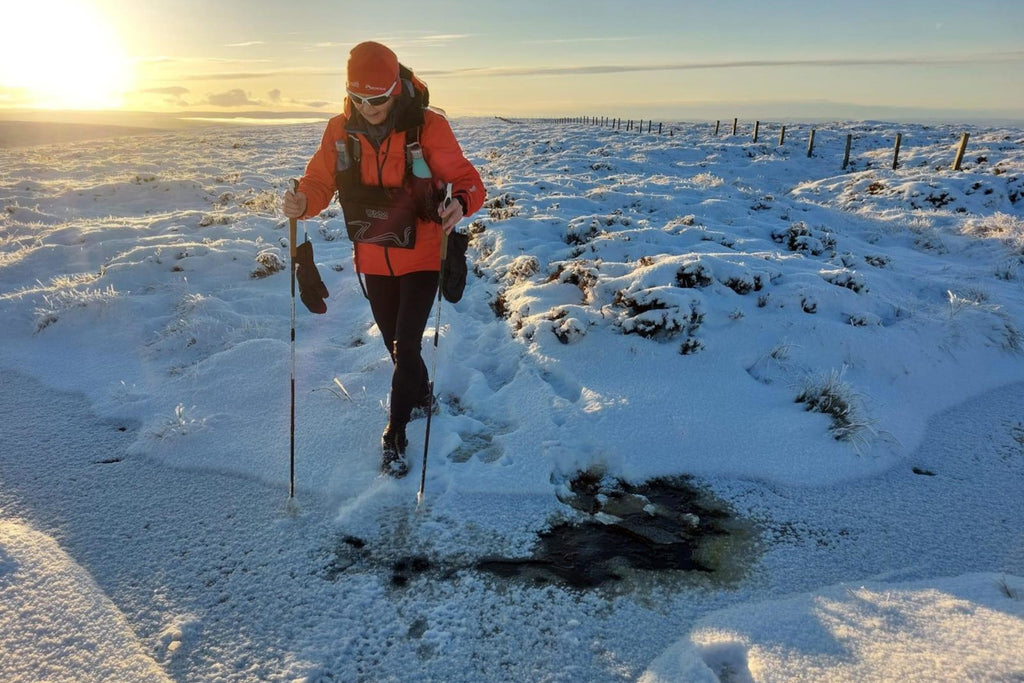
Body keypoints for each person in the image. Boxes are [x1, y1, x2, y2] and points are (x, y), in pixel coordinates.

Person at [282, 41, 485, 477]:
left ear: (395, 88)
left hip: (423, 254)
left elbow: (468, 180)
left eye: (376, 98)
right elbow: (320, 181)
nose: (367, 107)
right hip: (372, 257)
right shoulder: (339, 131)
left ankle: (394, 435)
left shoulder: (427, 127)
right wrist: (303, 202)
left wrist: (461, 203)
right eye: (358, 98)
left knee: (406, 343)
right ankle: (423, 394)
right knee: (395, 344)